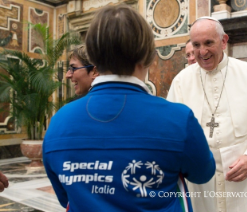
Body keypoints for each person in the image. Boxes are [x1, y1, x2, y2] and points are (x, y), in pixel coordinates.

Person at [43, 5, 216, 212]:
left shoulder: (59, 121)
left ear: (94, 58)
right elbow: (203, 173)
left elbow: (66, 196)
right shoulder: (178, 118)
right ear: (149, 57)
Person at [167, 16, 247, 212]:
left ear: (223, 41)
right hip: (200, 183)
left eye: (208, 43)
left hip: (246, 181)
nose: (202, 51)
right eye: (196, 45)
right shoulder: (181, 82)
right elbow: (173, 135)